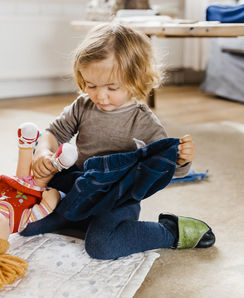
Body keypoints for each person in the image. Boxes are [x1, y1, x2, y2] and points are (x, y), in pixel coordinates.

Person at [20, 23, 215, 259]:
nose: (101, 96)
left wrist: (183, 160)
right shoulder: (82, 106)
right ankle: (78, 216)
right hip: (80, 186)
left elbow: (167, 168)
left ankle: (170, 231)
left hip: (117, 197)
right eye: (91, 85)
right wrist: (43, 151)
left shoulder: (144, 122)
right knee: (24, 224)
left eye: (112, 87)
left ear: (137, 79)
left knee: (102, 246)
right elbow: (54, 132)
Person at [0, 122, 78, 237]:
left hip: (15, 182)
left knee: (22, 168)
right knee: (42, 173)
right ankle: (57, 163)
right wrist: (50, 199)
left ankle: (26, 144)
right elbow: (40, 211)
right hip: (35, 191)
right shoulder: (19, 222)